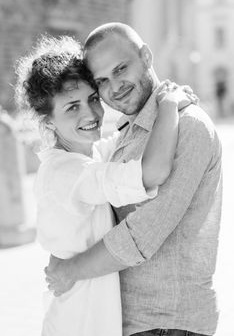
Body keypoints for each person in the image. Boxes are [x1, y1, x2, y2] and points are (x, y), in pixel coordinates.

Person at [45, 23, 223, 336]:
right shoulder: (126, 135)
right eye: (102, 80)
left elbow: (142, 235)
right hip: (133, 322)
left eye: (121, 68)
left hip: (168, 323)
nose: (114, 87)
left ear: (146, 56)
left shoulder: (187, 126)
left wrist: (70, 271)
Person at [15, 36, 192, 336]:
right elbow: (152, 172)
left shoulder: (88, 154)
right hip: (80, 322)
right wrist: (169, 105)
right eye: (72, 107)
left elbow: (123, 144)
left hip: (93, 316)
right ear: (48, 123)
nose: (91, 114)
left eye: (93, 99)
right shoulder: (65, 173)